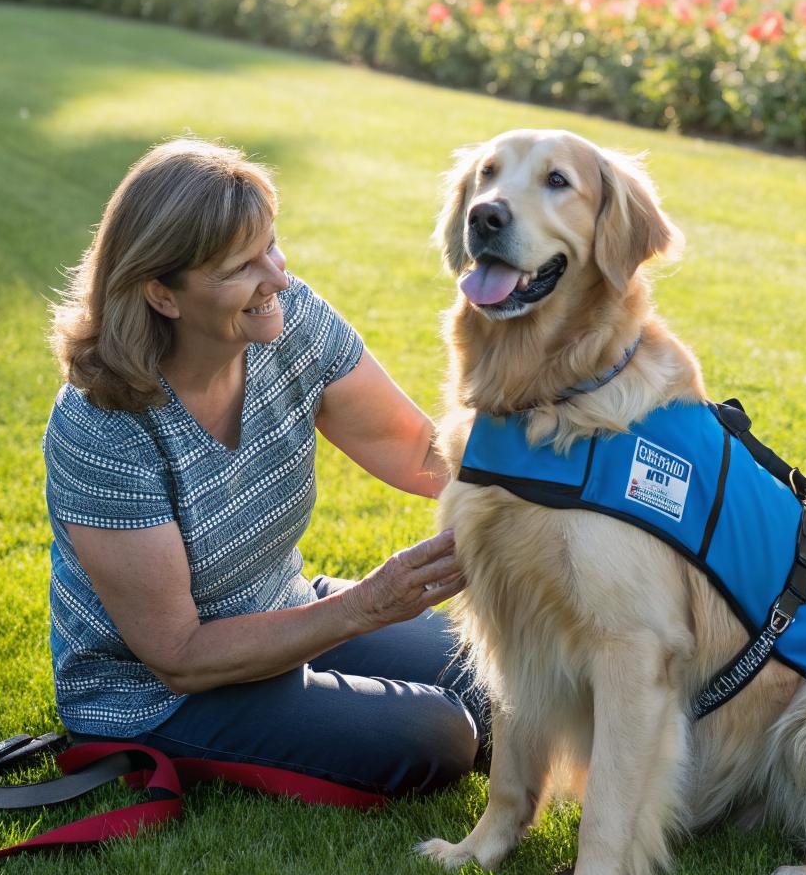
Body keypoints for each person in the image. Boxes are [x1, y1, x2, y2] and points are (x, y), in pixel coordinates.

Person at [43, 138, 487, 800]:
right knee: (440, 733)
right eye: (243, 266)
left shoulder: (290, 320)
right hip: (154, 695)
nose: (277, 277)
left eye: (271, 246)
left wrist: (547, 493)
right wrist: (364, 606)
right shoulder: (101, 425)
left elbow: (420, 454)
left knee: (498, 673)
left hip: (282, 611)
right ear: (163, 294)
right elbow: (178, 656)